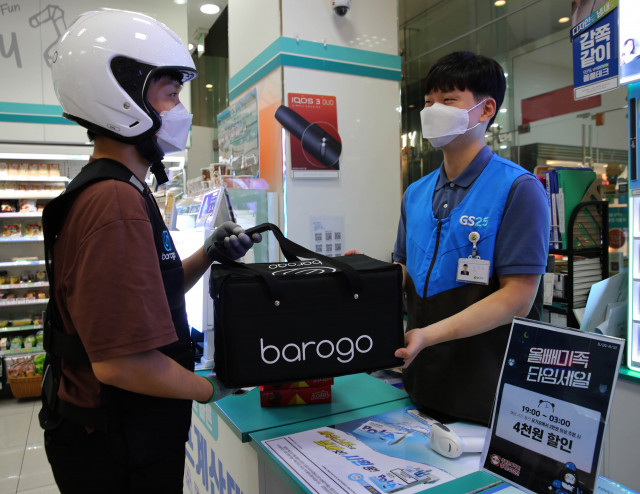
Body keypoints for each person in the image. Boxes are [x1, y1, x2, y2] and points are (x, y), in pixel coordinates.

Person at [38, 10, 261, 493]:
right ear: (122, 98)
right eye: (172, 95)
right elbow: (122, 362)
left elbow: (146, 296)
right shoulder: (115, 201)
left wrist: (208, 254)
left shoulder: (117, 189)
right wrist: (211, 388)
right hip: (114, 440)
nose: (182, 111)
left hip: (110, 429)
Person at [392, 51, 550, 426]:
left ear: (485, 109)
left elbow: (518, 298)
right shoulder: (415, 193)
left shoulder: (518, 188)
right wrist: (360, 277)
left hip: (487, 393)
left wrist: (429, 335)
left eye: (448, 100)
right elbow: (403, 268)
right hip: (420, 385)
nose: (433, 111)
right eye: (428, 102)